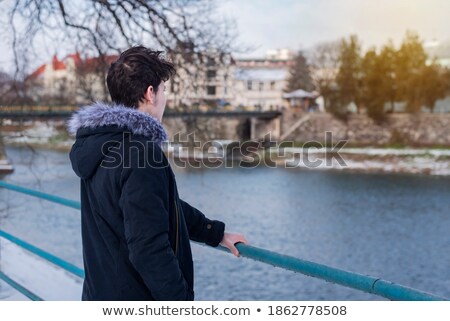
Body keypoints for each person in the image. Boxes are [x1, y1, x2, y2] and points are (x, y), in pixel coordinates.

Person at [67, 46, 248, 300]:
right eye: (164, 90)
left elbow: (155, 205)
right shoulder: (141, 153)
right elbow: (148, 248)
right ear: (150, 93)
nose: (166, 99)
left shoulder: (102, 144)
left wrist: (213, 232)